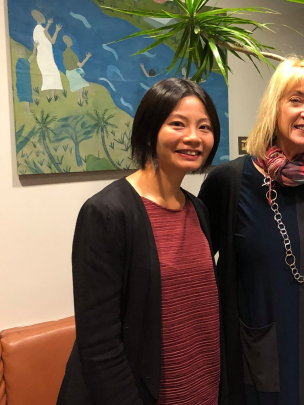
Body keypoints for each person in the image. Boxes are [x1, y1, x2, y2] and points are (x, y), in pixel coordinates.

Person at [57, 78, 227, 405]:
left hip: (200, 390)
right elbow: (100, 345)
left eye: (204, 127)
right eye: (178, 124)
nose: (193, 137)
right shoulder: (106, 213)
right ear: (149, 132)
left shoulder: (198, 209)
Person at [198, 57, 304, 405]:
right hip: (258, 358)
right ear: (274, 108)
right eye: (296, 100)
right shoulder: (230, 181)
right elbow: (198, 274)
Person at [31, 10, 63, 98]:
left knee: (53, 74)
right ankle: (49, 96)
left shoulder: (40, 29)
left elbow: (51, 40)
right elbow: (46, 35)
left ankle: (52, 96)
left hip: (47, 56)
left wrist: (55, 30)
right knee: (50, 75)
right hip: (44, 56)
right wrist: (50, 26)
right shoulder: (38, 29)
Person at [62, 35, 91, 103]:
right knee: (80, 85)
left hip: (68, 72)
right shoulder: (71, 53)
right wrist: (87, 58)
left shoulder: (65, 53)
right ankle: (80, 99)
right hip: (74, 72)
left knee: (78, 86)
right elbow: (80, 65)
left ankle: (79, 99)